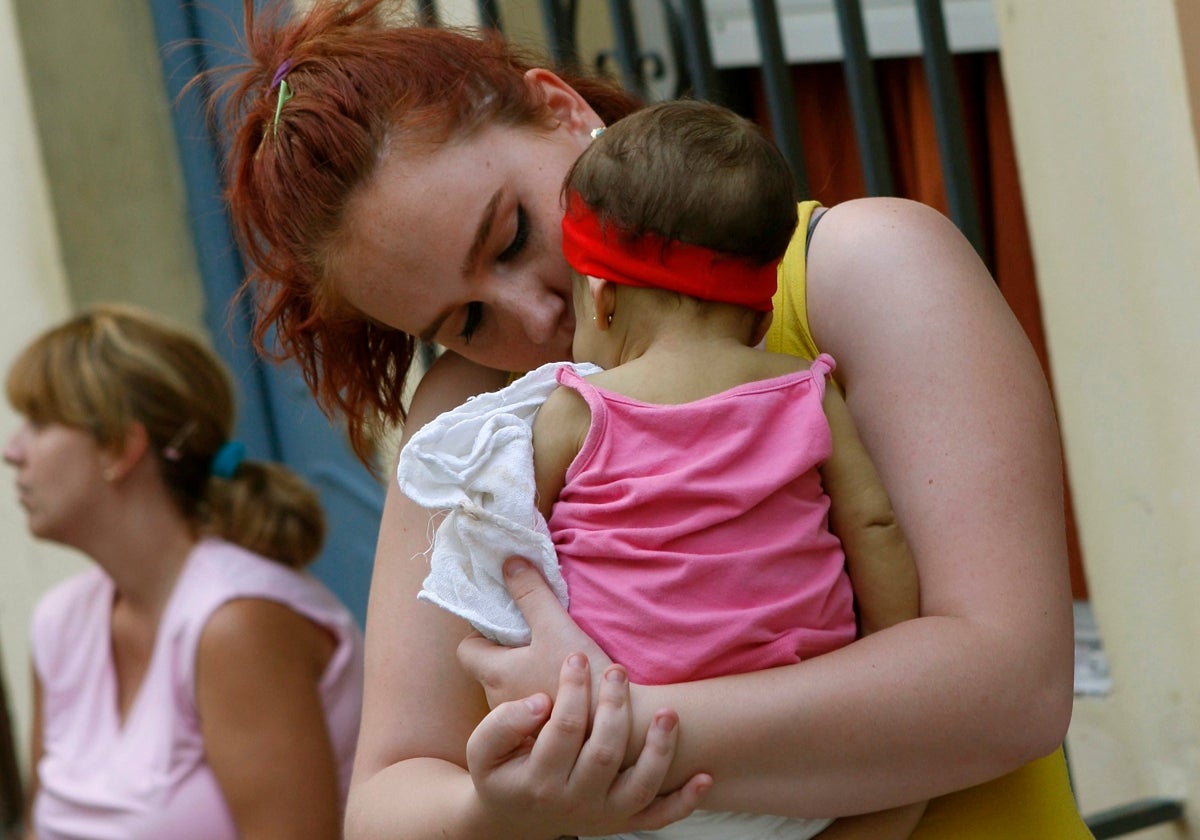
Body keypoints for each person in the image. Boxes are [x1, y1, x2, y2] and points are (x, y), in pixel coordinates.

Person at [218, 1, 1089, 838]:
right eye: (465, 322)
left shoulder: (854, 269)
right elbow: (387, 804)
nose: (534, 317)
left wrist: (606, 729)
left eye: (516, 233)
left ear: (561, 113)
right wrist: (498, 810)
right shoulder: (471, 408)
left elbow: (1011, 688)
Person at [396, 99, 925, 840]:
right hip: (810, 753)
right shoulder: (807, 389)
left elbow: (510, 545)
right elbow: (873, 521)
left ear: (604, 300)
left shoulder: (575, 411)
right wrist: (894, 651)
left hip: (640, 778)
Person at [5, 304, 364, 840]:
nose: (12, 451)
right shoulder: (61, 623)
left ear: (119, 449)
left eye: (38, 422)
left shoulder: (236, 624)